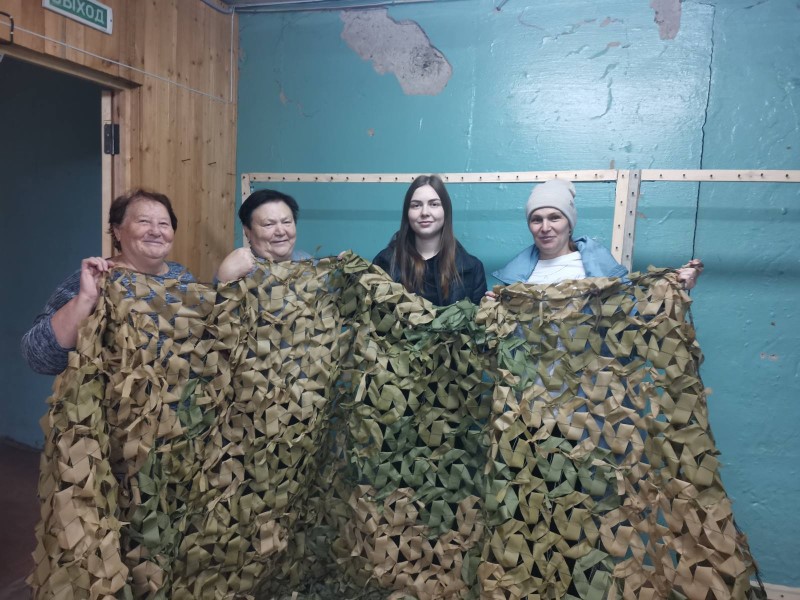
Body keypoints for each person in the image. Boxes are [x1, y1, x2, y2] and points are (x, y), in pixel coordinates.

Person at [22, 189, 195, 375]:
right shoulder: (95, 277)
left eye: (164, 224)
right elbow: (39, 357)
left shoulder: (183, 277)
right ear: (117, 231)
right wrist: (86, 299)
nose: (155, 231)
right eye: (144, 221)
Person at [491, 179, 703, 289]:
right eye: (536, 219)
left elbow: (633, 316)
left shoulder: (599, 269)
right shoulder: (516, 276)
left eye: (555, 218)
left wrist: (675, 284)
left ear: (570, 224)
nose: (545, 227)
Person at [373, 175, 487, 305]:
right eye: (416, 205)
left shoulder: (473, 268)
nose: (425, 212)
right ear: (407, 213)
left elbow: (478, 317)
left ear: (445, 211)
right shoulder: (384, 263)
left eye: (434, 204)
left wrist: (491, 307)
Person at [216, 189, 312, 281]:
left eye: (286, 222)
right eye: (269, 224)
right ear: (247, 231)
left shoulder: (308, 263)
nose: (281, 232)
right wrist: (224, 277)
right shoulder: (236, 270)